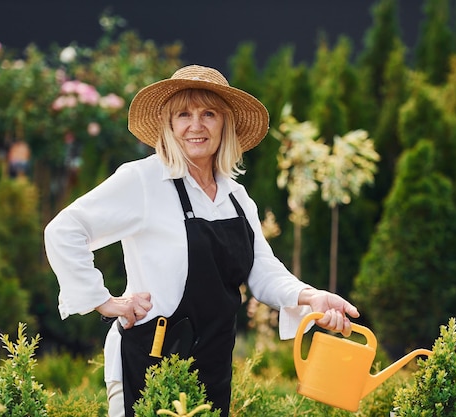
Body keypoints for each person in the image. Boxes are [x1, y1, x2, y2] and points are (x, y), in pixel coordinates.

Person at [44, 65, 360, 417]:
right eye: (184, 114)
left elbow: (262, 270)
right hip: (148, 365)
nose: (196, 126)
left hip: (212, 367)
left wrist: (311, 296)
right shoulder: (144, 180)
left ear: (225, 123)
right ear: (168, 124)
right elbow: (64, 230)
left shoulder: (236, 196)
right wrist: (103, 301)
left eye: (208, 114)